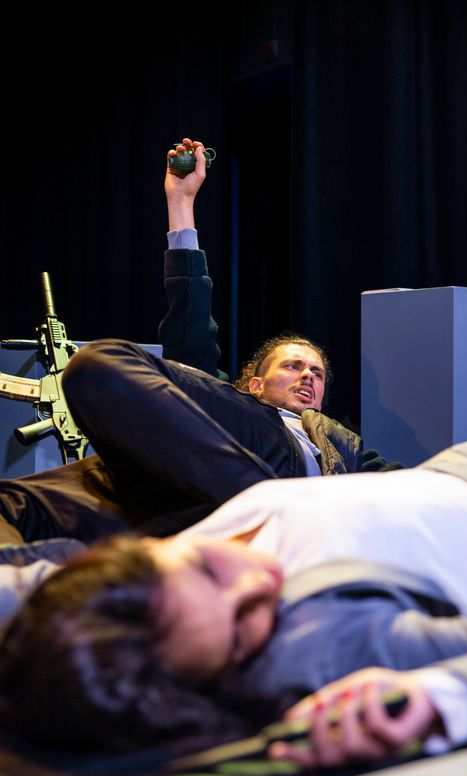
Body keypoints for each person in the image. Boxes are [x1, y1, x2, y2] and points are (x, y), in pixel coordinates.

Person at [2, 433, 467, 763]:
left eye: (206, 567)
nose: (259, 582)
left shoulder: (124, 603)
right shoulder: (324, 646)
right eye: (241, 627)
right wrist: (445, 696)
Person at [0, 139, 399, 550]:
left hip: (272, 478)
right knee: (16, 493)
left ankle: (261, 510)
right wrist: (180, 202)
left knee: (97, 363)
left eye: (317, 373)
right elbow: (191, 321)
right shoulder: (235, 406)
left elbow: (412, 486)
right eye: (293, 366)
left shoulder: (343, 446)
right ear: (255, 385)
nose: (308, 376)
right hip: (173, 489)